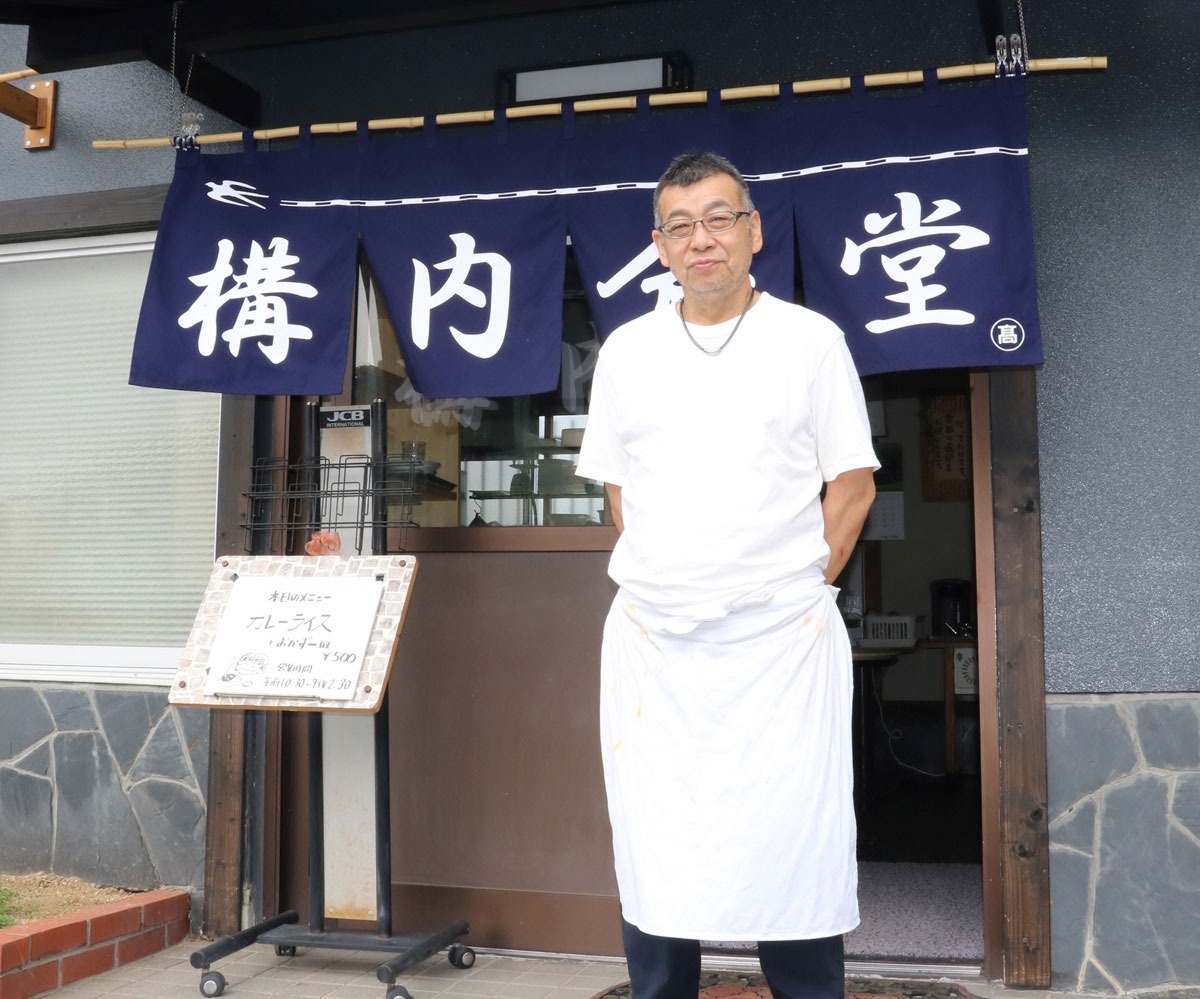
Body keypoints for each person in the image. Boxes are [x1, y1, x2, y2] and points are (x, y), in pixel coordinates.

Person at [575, 151, 880, 999]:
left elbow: (852, 488)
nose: (700, 238)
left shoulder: (810, 342)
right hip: (655, 642)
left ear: (752, 231)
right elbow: (618, 492)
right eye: (680, 225)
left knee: (793, 836)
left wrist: (801, 590)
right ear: (659, 247)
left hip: (782, 639)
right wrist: (679, 576)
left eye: (718, 218)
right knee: (658, 835)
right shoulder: (628, 353)